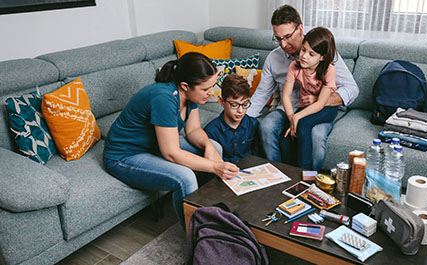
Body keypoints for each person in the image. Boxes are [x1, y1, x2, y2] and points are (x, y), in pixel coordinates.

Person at [103, 52, 239, 229]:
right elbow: (171, 153)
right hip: (123, 156)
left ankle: (213, 212)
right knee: (185, 177)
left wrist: (208, 146)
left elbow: (193, 130)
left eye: (212, 86)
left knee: (215, 147)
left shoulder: (190, 96)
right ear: (185, 86)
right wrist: (214, 166)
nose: (211, 93)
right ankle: (196, 239)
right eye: (206, 89)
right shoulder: (164, 97)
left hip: (152, 146)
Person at [247, 5, 359, 171]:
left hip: (317, 110)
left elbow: (352, 89)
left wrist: (323, 100)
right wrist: (240, 117)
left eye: (287, 37)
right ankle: (279, 175)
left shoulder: (323, 52)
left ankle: (310, 181)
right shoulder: (274, 58)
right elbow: (261, 94)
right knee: (266, 126)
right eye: (278, 38)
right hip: (287, 110)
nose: (283, 44)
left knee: (316, 136)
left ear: (300, 29)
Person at [282, 27, 338, 170]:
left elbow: (320, 104)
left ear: (322, 57)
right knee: (287, 135)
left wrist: (297, 117)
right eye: (303, 50)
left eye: (311, 54)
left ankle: (305, 173)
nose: (304, 56)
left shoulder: (328, 70)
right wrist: (291, 117)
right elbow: (286, 96)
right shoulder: (294, 67)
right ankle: (290, 171)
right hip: (305, 106)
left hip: (326, 108)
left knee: (304, 124)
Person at [204, 74, 260, 163]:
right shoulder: (211, 131)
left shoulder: (253, 124)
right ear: (222, 102)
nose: (240, 110)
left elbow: (258, 156)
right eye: (234, 105)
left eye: (245, 104)